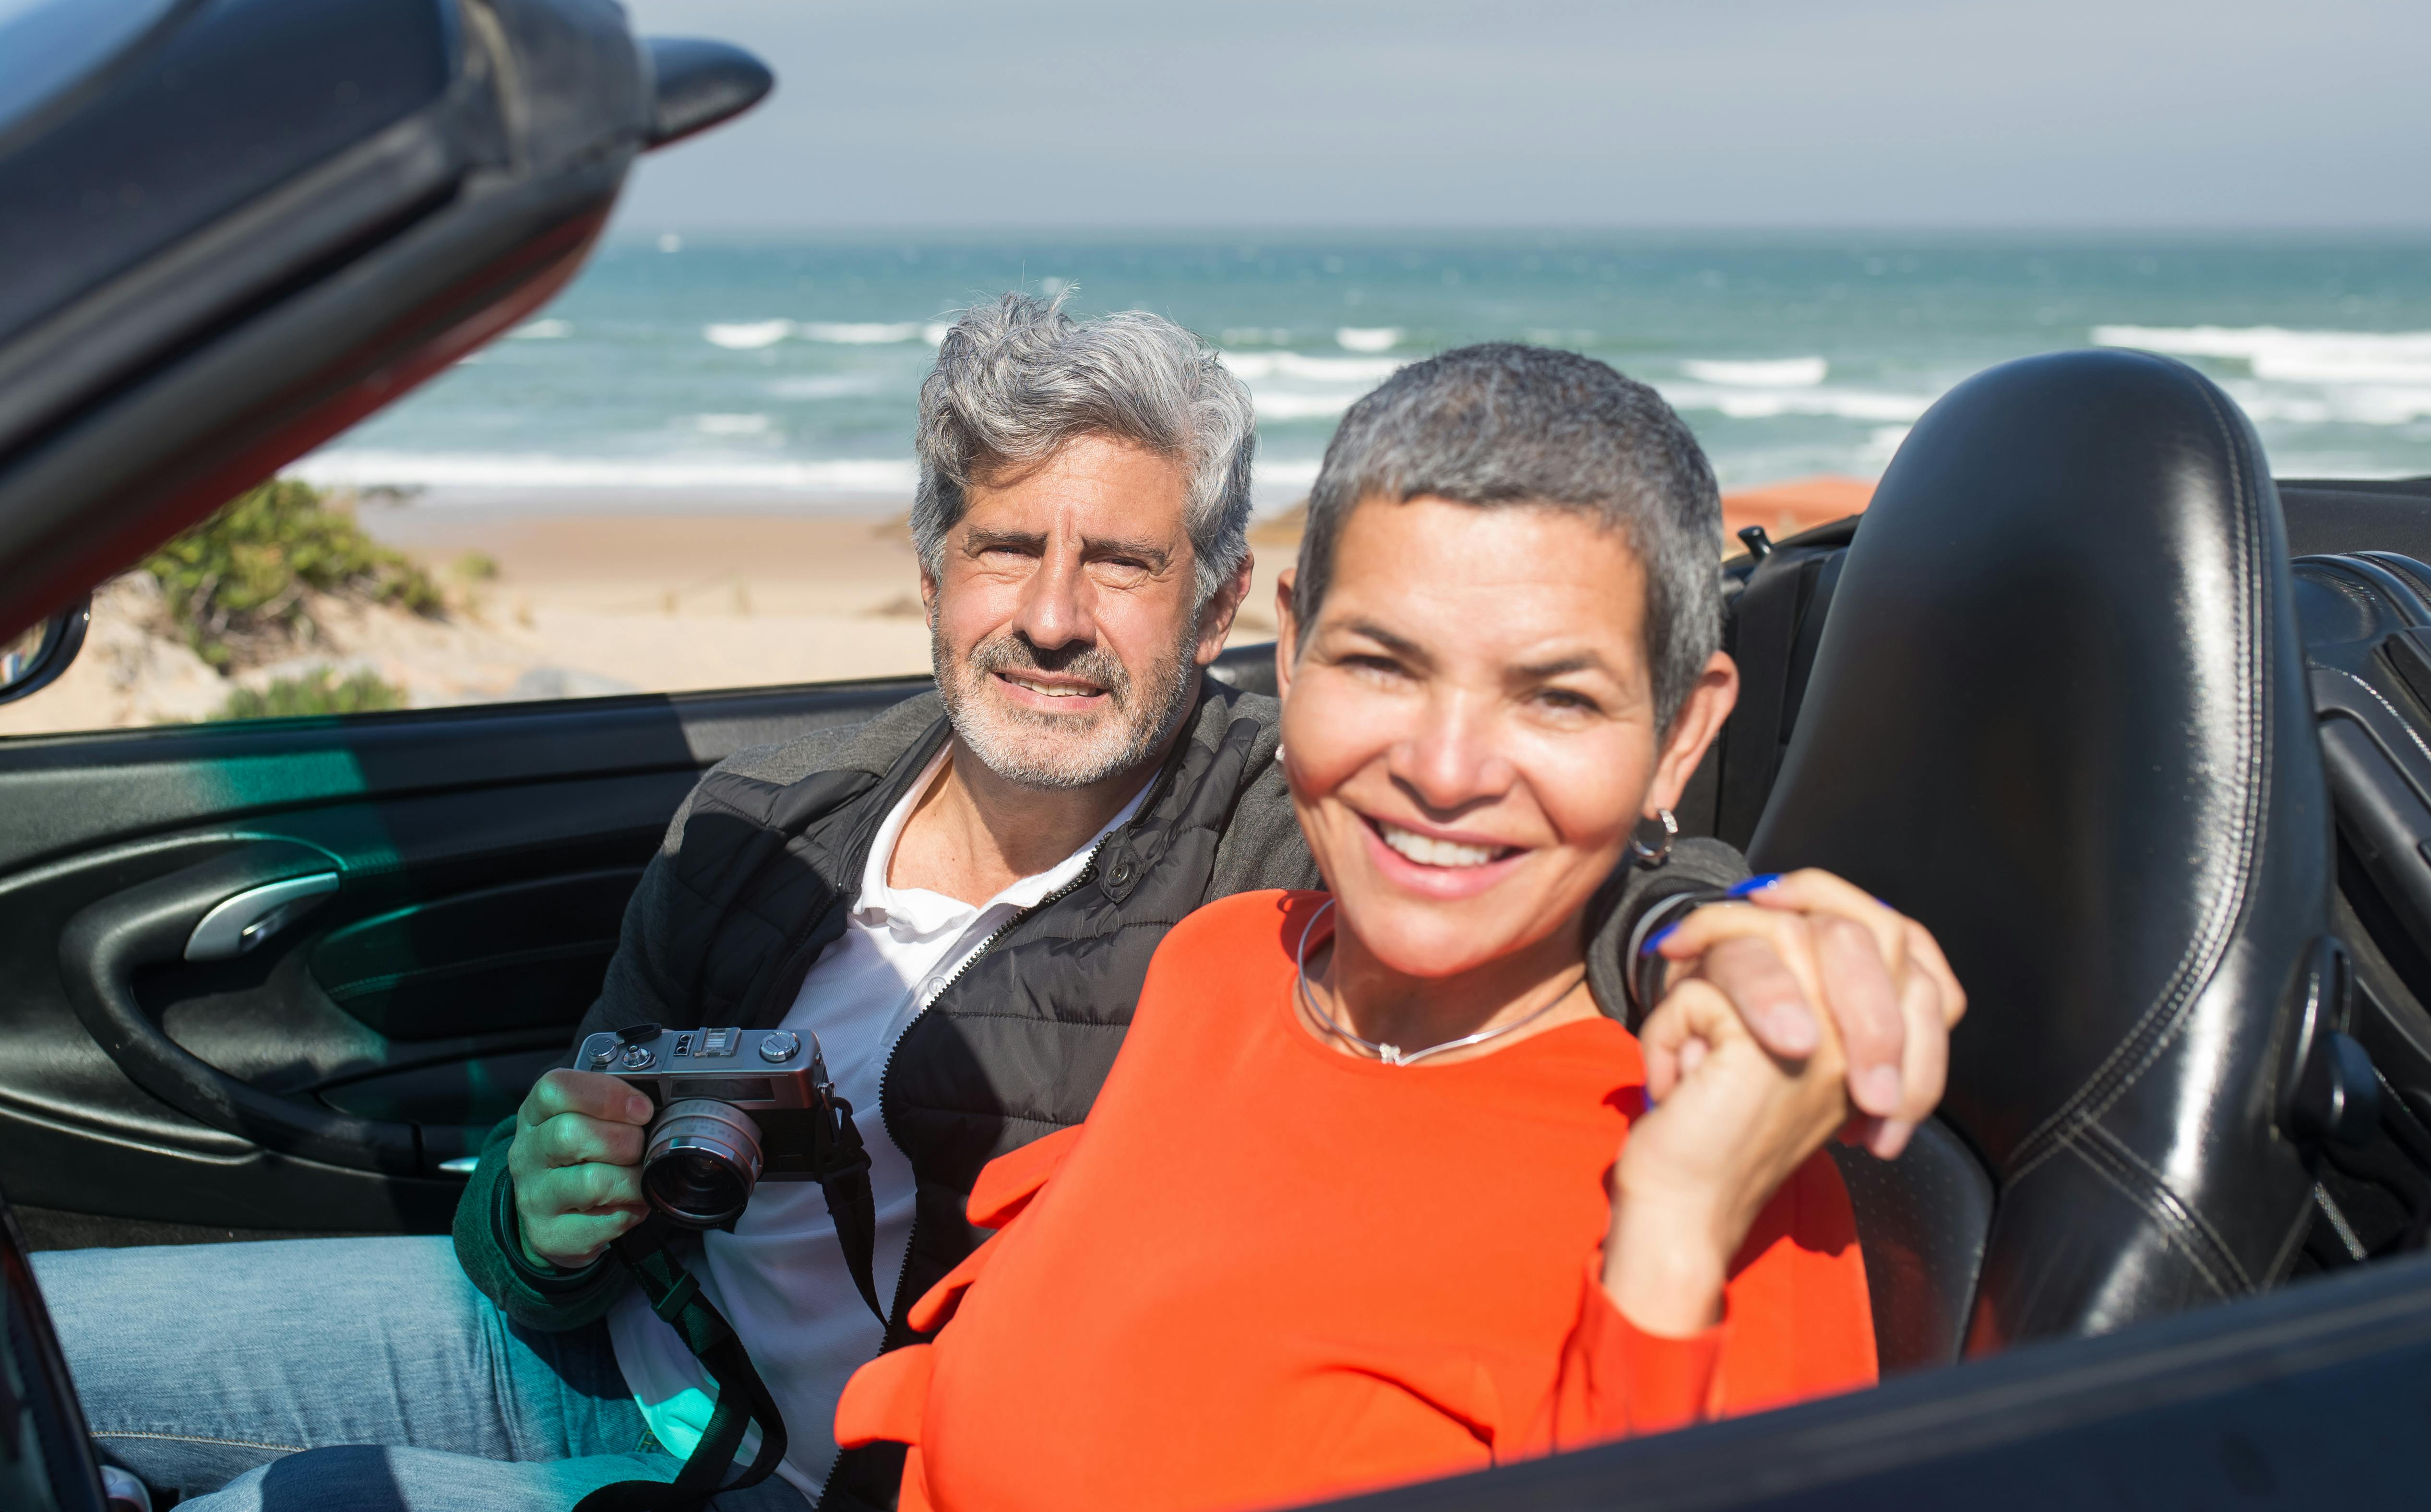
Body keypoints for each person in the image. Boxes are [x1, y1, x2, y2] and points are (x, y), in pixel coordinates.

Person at [36, 306, 1951, 1512]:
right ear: (932, 574)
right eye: (1002, 546)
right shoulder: (773, 819)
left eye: (1118, 560)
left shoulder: (1269, 851)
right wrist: (535, 1213)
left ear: (1218, 617)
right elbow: (604, 1211)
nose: (1050, 610)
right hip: (607, 1351)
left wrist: (1738, 930)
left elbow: (1569, 878)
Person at [832, 344, 1963, 1512]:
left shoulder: (1731, 1166)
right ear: (1291, 648)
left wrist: (1672, 1227)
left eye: (1556, 696)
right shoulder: (1224, 960)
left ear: (1680, 736)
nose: (1444, 769)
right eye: (1379, 663)